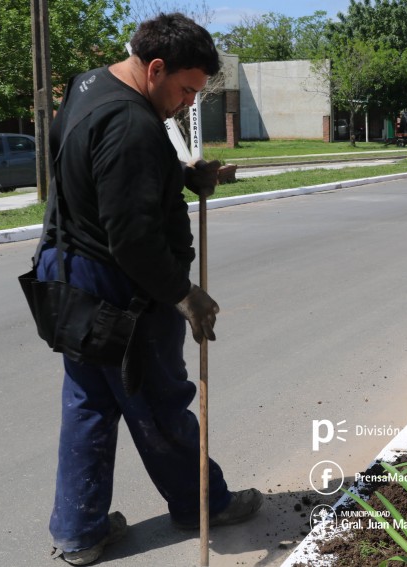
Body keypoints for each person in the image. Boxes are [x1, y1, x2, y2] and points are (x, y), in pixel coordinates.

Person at [35, 13, 262, 565]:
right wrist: (184, 295)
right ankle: (199, 501)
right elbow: (134, 240)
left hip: (67, 274)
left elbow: (91, 169)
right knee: (160, 400)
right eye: (185, 90)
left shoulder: (91, 84)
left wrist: (178, 175)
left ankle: (79, 532)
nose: (188, 102)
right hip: (119, 290)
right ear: (155, 67)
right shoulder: (132, 124)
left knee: (89, 402)